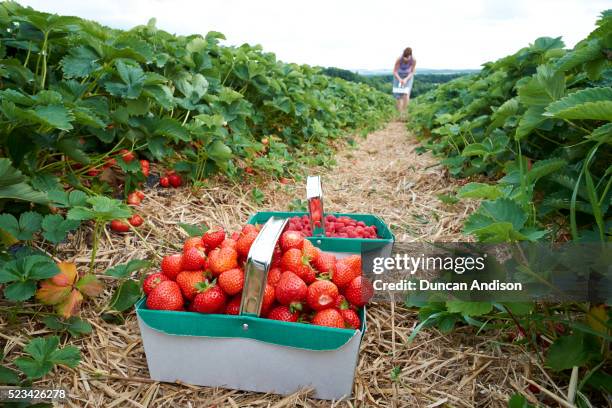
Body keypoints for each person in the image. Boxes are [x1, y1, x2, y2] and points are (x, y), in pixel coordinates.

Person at [392, 47, 417, 115]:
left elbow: (412, 72)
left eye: (407, 57)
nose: (405, 59)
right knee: (398, 95)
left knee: (406, 93)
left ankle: (404, 112)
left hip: (408, 76)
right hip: (398, 76)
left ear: (410, 55)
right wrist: (400, 79)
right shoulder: (399, 59)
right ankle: (399, 113)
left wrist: (405, 79)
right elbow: (394, 71)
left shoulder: (413, 60)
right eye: (404, 57)